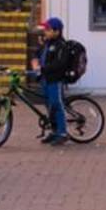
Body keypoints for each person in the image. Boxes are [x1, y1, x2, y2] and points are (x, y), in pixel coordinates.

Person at [28, 14, 71, 145]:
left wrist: (43, 68)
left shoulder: (61, 45)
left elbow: (61, 64)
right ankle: (54, 131)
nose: (45, 32)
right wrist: (35, 62)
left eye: (48, 29)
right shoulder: (47, 43)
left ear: (57, 31)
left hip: (55, 80)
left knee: (57, 105)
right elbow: (37, 54)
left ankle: (63, 133)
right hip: (45, 80)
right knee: (49, 106)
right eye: (45, 29)